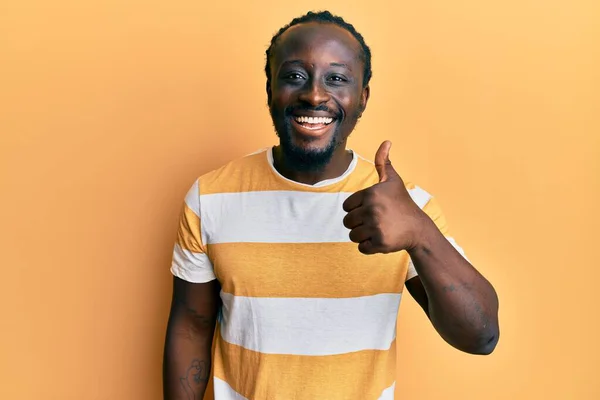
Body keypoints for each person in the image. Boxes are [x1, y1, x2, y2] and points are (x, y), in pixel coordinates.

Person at [163, 10, 499, 400]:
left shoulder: (403, 206)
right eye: (294, 76)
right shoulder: (211, 196)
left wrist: (420, 234)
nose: (315, 95)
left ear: (363, 97)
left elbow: (481, 336)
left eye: (336, 79)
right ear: (270, 88)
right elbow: (191, 325)